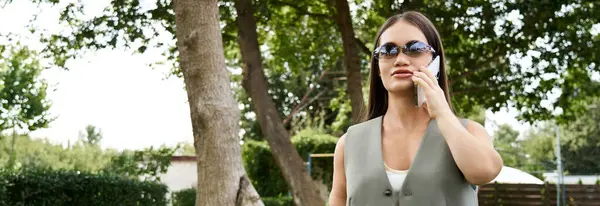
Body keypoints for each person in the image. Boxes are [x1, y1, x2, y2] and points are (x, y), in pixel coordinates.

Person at [328, 11, 503, 205]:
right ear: (378, 68)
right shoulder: (349, 143)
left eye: (415, 48)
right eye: (388, 50)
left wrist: (442, 114)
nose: (400, 59)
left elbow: (485, 172)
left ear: (435, 60)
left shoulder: (468, 131)